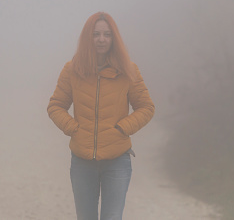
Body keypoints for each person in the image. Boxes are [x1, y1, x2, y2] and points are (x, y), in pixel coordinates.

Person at [47, 12, 155, 220]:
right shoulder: (72, 70)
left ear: (114, 38)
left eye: (107, 34)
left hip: (117, 161)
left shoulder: (128, 70)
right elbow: (56, 106)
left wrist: (122, 128)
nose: (101, 39)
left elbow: (146, 107)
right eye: (96, 34)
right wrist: (73, 129)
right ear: (88, 38)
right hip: (82, 161)